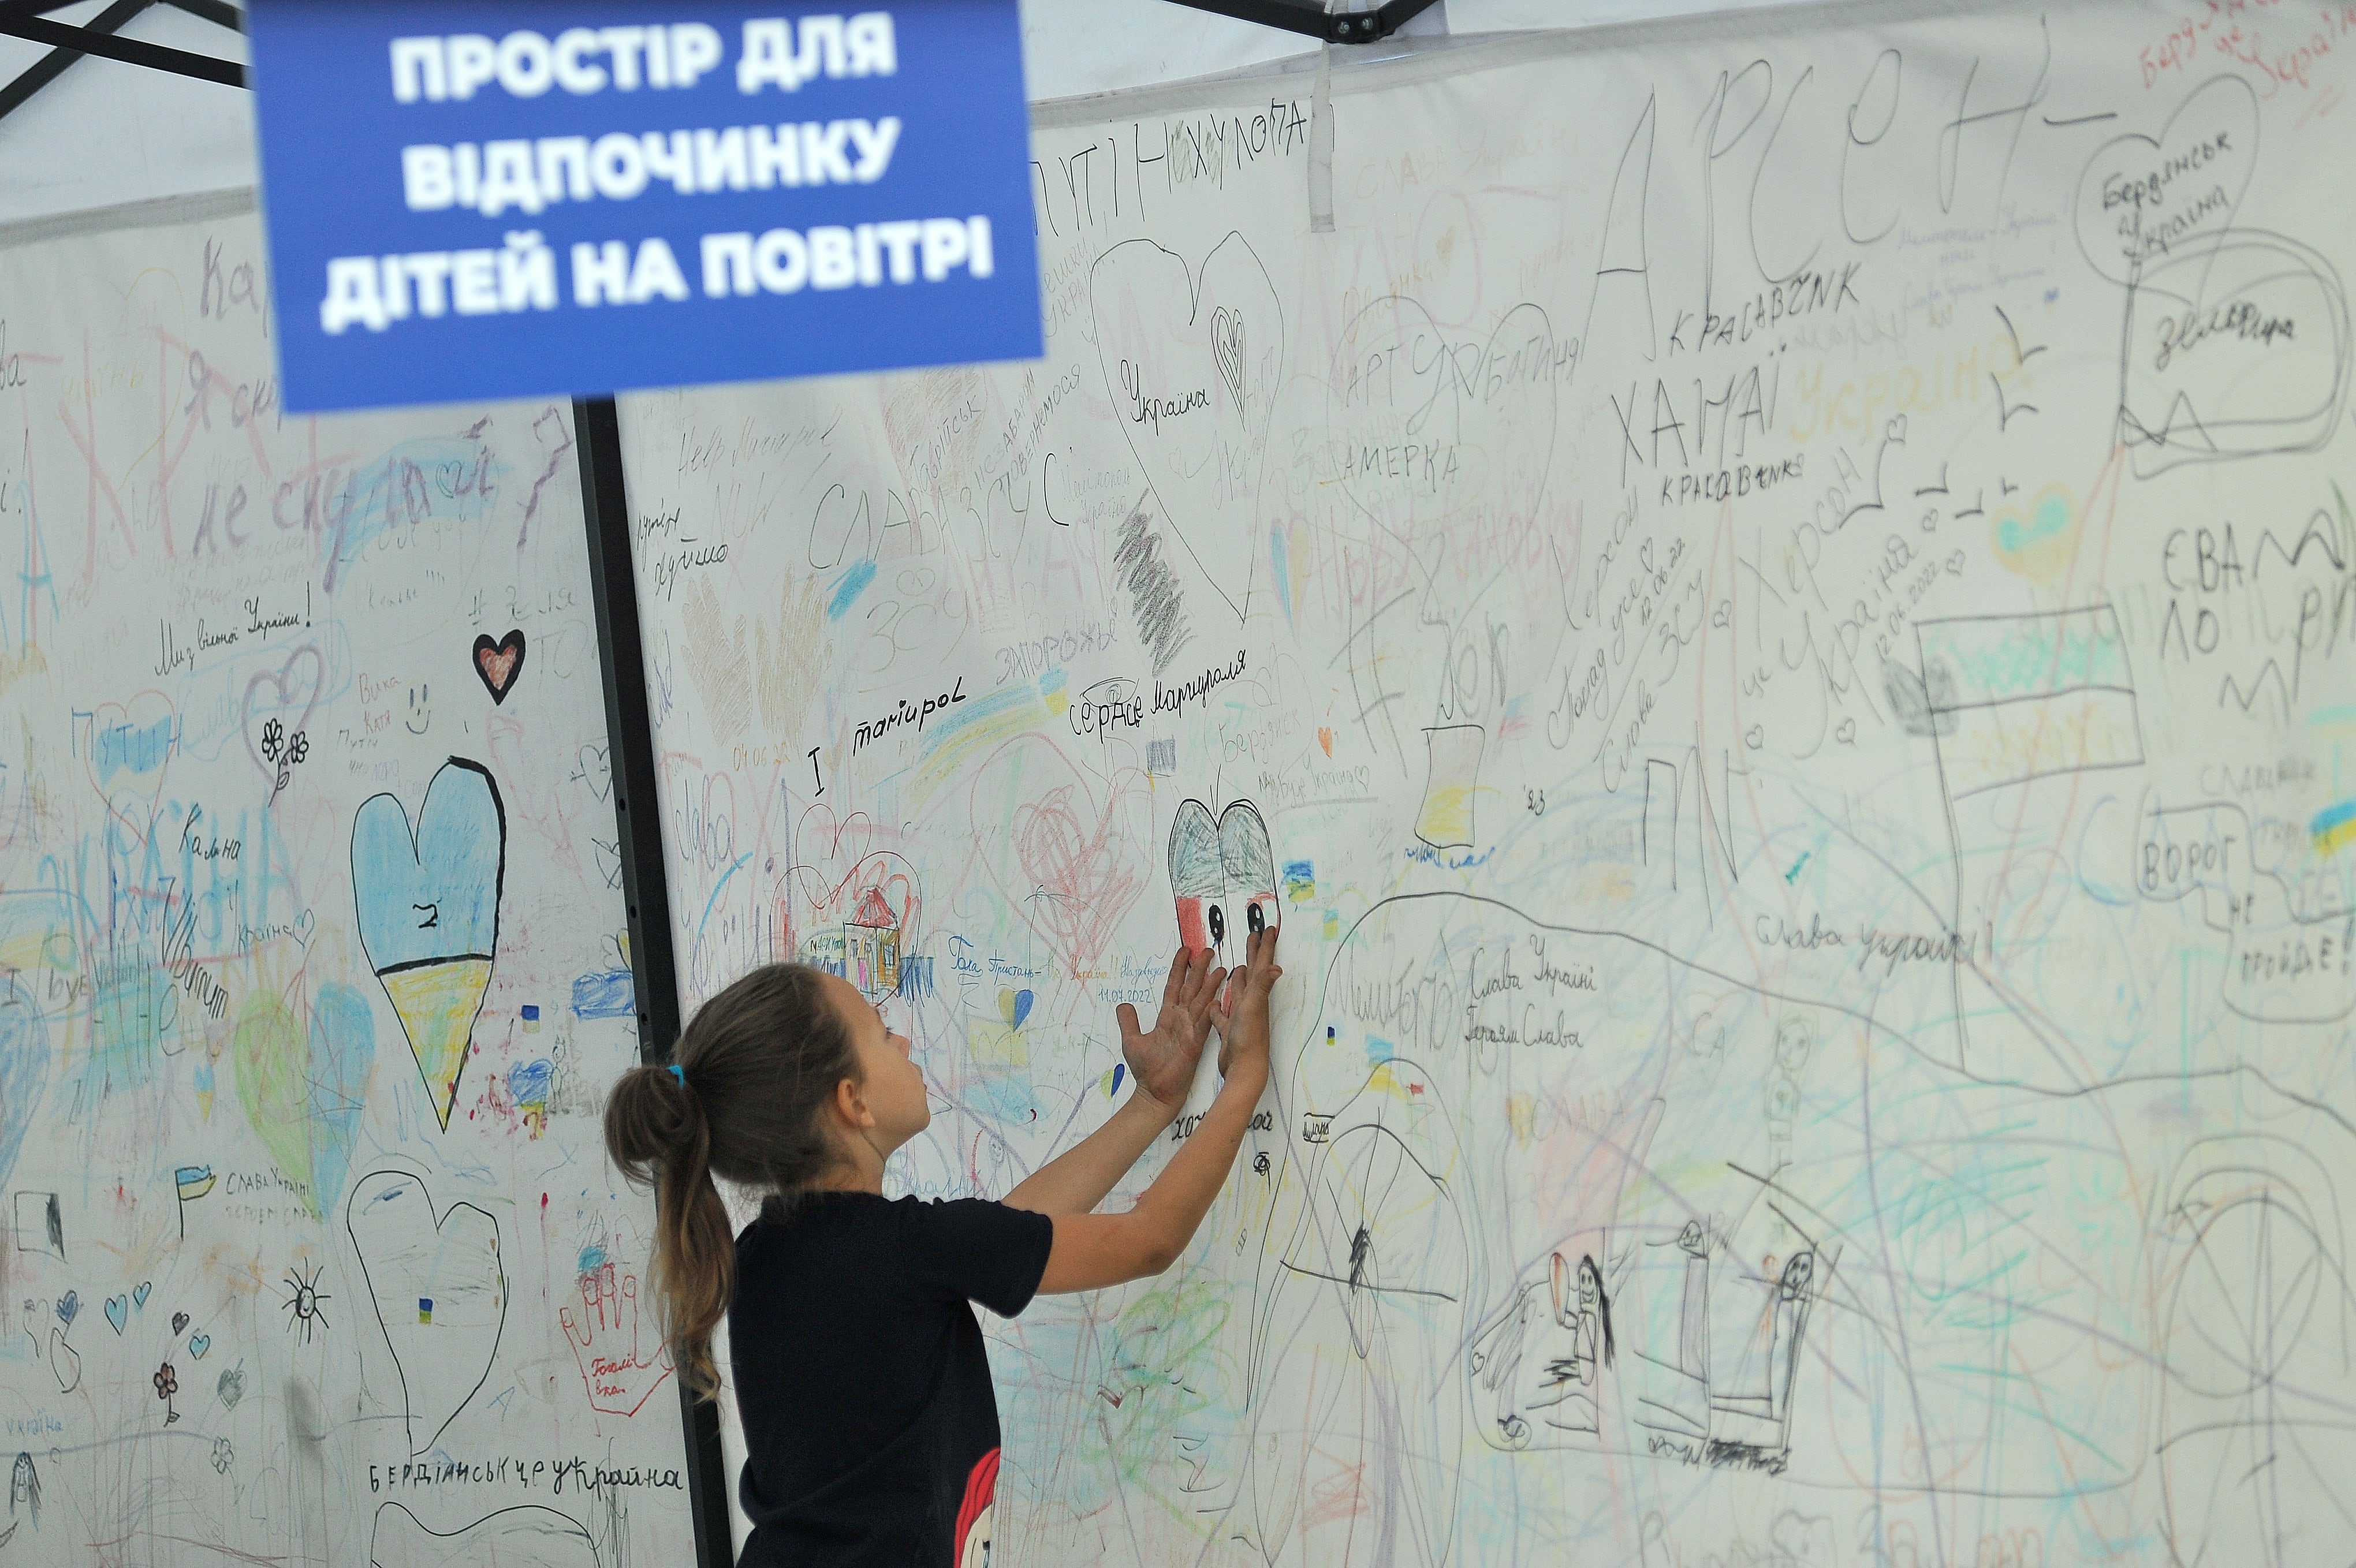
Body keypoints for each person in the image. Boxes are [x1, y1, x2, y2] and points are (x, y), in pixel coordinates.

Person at [604, 926, 1283, 1567]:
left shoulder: (769, 1256)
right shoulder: (902, 1250)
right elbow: (1148, 1240)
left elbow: (1007, 1233)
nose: (902, 1042)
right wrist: (1245, 1077)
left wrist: (1152, 1103)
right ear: (853, 1102)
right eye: (881, 1034)